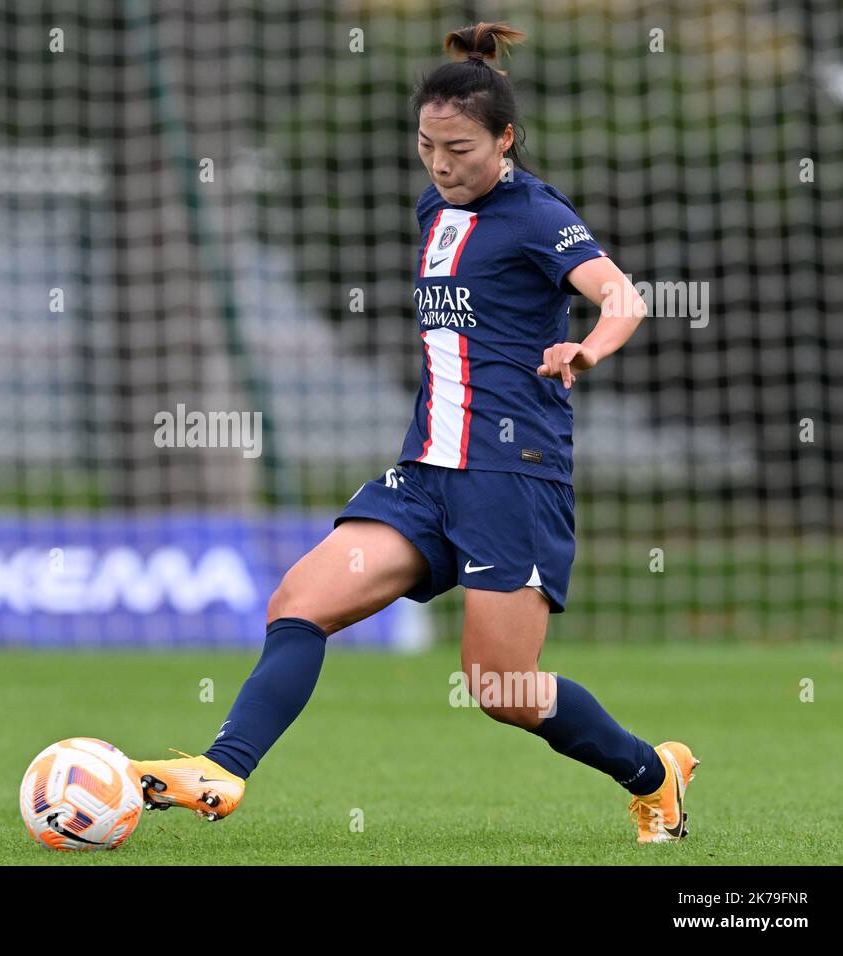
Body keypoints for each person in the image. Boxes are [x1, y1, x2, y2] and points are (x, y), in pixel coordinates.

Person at [132, 21, 698, 845]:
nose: (440, 163)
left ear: (505, 140)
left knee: (502, 690)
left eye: (460, 149)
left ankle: (653, 774)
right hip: (427, 472)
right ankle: (223, 768)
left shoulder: (538, 213)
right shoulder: (435, 206)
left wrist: (588, 347)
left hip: (511, 474)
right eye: (427, 145)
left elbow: (622, 296)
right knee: (298, 603)